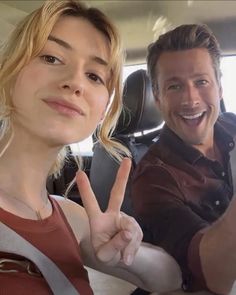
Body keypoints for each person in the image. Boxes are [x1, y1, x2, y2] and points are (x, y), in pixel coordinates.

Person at [0, 0, 182, 294]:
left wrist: (128, 252)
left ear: (101, 112)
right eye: (51, 58)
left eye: (94, 76)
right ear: (10, 70)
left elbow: (170, 279)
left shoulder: (69, 215)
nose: (75, 83)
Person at [131, 24, 236, 295]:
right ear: (157, 96)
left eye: (201, 82)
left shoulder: (231, 125)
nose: (190, 99)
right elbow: (213, 276)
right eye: (174, 86)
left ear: (220, 88)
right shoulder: (152, 178)